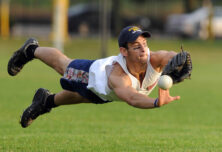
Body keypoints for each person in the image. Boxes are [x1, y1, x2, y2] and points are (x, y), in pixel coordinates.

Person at [8, 26, 188, 128]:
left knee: (84, 96)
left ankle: (46, 101)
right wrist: (156, 102)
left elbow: (170, 55)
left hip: (107, 94)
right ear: (123, 51)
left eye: (145, 43)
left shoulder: (153, 59)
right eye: (136, 46)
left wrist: (181, 60)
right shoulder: (117, 76)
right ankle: (31, 49)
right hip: (93, 73)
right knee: (64, 65)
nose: (143, 49)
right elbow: (132, 98)